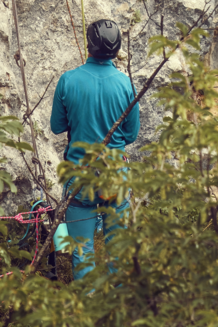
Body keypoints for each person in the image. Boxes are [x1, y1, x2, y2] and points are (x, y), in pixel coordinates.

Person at [50, 19, 140, 282]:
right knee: (118, 251)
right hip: (116, 175)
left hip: (81, 177)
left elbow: (57, 127)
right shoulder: (126, 84)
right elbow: (131, 135)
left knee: (83, 252)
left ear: (89, 45)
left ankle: (88, 311)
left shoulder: (68, 80)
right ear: (116, 49)